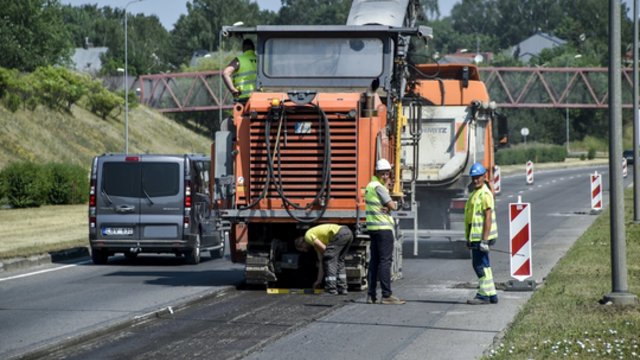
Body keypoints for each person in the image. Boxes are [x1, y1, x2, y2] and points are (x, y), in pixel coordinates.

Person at [364, 158, 405, 305]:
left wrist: (387, 206)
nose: (387, 176)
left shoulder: (370, 186)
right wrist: (393, 203)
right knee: (385, 262)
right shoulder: (379, 187)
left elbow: (379, 206)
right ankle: (387, 295)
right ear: (382, 173)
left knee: (374, 262)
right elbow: (393, 206)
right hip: (383, 229)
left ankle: (371, 295)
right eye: (385, 173)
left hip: (373, 228)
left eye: (388, 173)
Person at [464, 162, 499, 305]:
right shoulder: (475, 193)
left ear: (484, 177)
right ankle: (492, 294)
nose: (475, 180)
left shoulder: (484, 194)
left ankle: (483, 295)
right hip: (476, 236)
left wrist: (484, 241)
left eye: (478, 177)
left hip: (482, 237)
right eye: (473, 178)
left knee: (479, 265)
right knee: (484, 265)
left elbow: (488, 218)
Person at [295, 224, 353, 295]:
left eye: (303, 248)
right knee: (340, 261)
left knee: (329, 259)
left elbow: (325, 250)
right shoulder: (316, 243)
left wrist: (327, 256)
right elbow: (321, 262)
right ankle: (342, 288)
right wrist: (318, 281)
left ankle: (331, 289)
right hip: (348, 233)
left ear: (302, 242)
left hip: (340, 234)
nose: (305, 250)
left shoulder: (308, 236)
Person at [222, 38, 257, 103]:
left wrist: (233, 90)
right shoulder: (260, 60)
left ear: (243, 48)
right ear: (253, 48)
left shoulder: (239, 60)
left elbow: (225, 73)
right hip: (259, 97)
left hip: (243, 98)